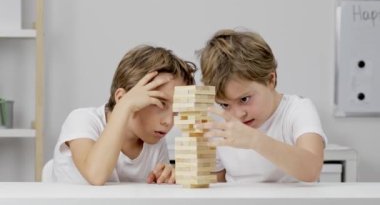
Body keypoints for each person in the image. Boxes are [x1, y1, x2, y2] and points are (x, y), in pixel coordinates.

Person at [52, 45, 196, 185]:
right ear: (121, 98)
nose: (169, 122)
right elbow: (96, 175)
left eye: (177, 110)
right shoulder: (82, 120)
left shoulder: (156, 142)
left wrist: (168, 176)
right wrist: (124, 107)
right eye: (159, 103)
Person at [197, 29, 327, 183]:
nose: (237, 115)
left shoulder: (297, 110)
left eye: (244, 99)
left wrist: (254, 140)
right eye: (225, 104)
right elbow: (216, 186)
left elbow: (311, 169)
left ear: (271, 80)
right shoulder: (218, 122)